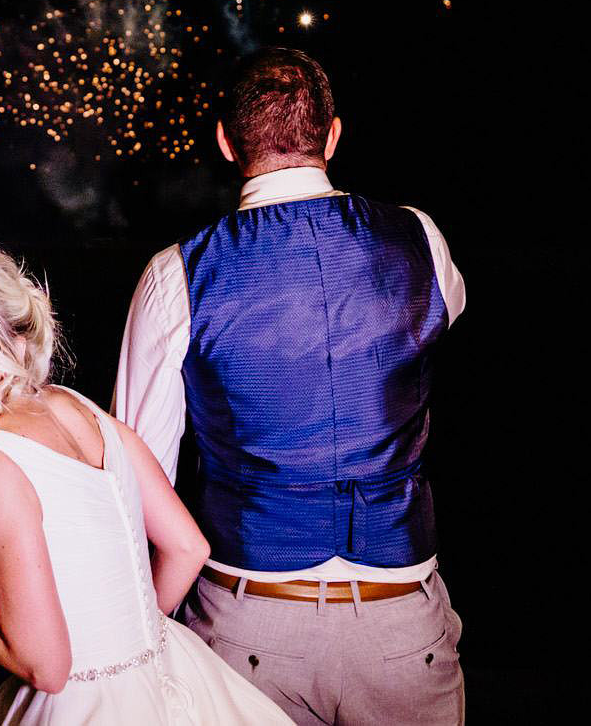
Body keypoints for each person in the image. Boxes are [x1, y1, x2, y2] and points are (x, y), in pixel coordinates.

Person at [114, 47, 469, 725]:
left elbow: (135, 480)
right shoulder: (419, 237)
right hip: (403, 630)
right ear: (333, 135)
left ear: (225, 141)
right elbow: (445, 307)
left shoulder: (176, 275)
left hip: (248, 631)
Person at [0, 241, 293, 725]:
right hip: (169, 673)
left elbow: (47, 669)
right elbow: (187, 547)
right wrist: (130, 642)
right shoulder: (74, 405)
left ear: (14, 344)